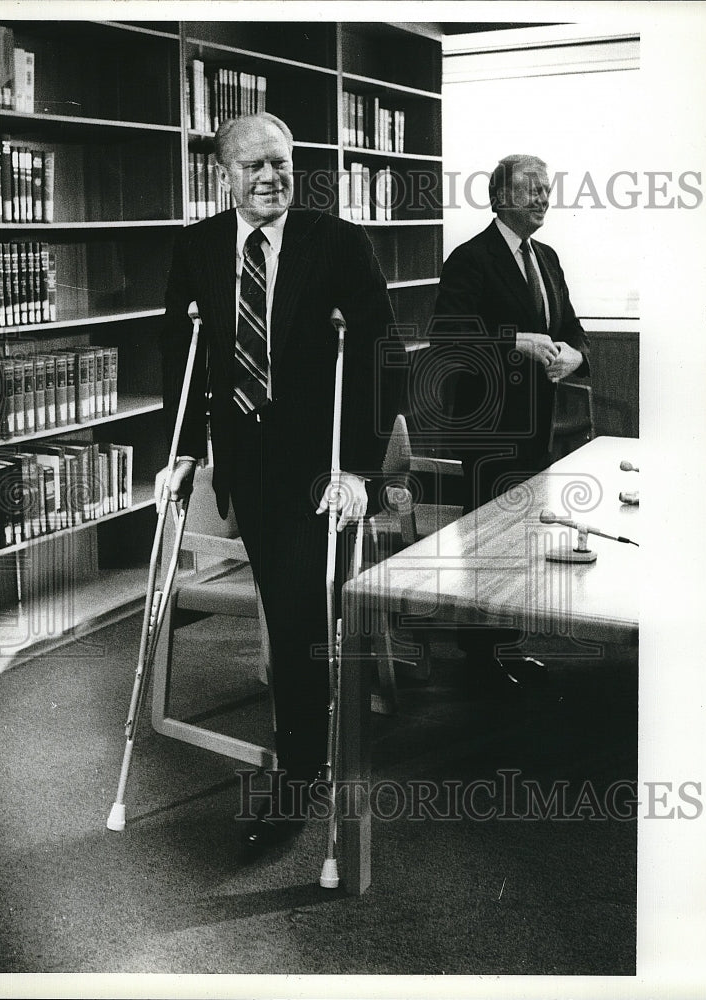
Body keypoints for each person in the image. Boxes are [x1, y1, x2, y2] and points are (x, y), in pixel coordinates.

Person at [160, 113, 395, 851]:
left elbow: (379, 356)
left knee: (296, 620)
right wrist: (185, 452)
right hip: (245, 462)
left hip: (320, 467)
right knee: (289, 611)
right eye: (252, 166)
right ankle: (309, 738)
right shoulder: (198, 247)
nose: (269, 177)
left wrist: (359, 468)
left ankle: (299, 777)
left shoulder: (338, 242)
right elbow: (181, 354)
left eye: (281, 163)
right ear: (223, 173)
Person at [428, 154, 590, 686]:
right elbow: (447, 340)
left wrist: (575, 355)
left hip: (537, 424)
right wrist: (514, 342)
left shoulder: (548, 257)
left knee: (523, 539)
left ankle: (508, 644)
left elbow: (572, 329)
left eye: (548, 188)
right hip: (488, 428)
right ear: (500, 198)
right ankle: (478, 656)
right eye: (533, 190)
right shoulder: (470, 259)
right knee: (488, 544)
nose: (545, 198)